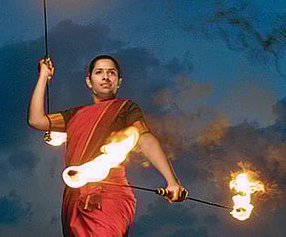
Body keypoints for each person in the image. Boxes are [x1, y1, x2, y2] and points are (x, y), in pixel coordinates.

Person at [28, 55, 185, 236]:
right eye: (99, 72)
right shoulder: (75, 114)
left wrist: (172, 181)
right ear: (89, 81)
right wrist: (43, 76)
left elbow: (145, 139)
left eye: (111, 73)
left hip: (108, 194)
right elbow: (36, 120)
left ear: (118, 82)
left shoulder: (125, 108)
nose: (105, 77)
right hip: (73, 198)